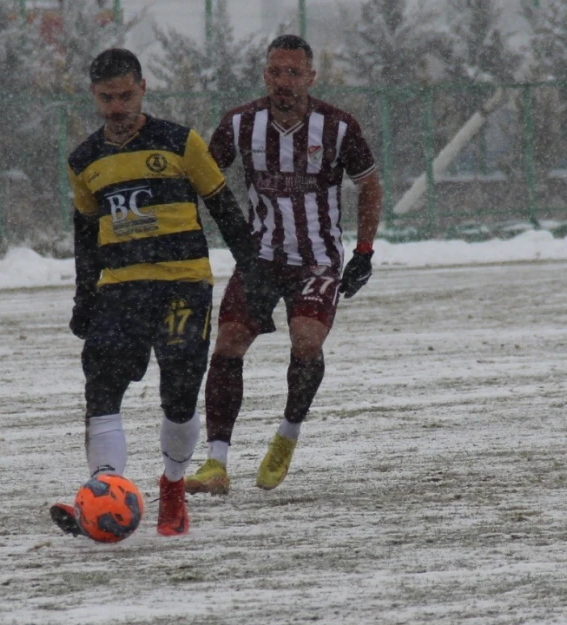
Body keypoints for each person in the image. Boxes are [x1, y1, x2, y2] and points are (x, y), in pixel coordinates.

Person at [49, 49, 261, 538]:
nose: (117, 106)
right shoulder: (84, 159)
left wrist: (253, 274)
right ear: (93, 97)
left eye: (126, 95)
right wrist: (84, 296)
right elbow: (86, 233)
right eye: (107, 98)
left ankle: (171, 485)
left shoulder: (180, 142)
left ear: (143, 88)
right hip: (120, 289)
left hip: (182, 285)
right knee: (100, 384)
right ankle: (102, 489)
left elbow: (224, 208)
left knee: (179, 390)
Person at [185, 34, 383, 494]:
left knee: (307, 341)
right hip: (260, 259)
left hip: (317, 260)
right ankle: (216, 463)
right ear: (265, 75)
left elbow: (369, 186)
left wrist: (364, 252)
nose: (284, 82)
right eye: (276, 72)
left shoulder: (338, 127)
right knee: (229, 342)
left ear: (311, 78)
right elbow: (203, 178)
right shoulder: (239, 124)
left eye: (294, 73)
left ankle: (287, 435)